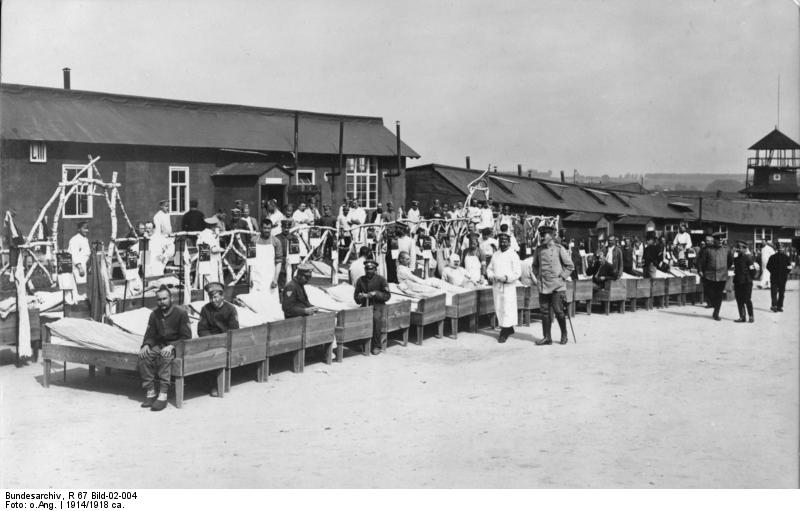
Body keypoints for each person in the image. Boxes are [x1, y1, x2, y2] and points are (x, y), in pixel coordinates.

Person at [138, 285, 191, 411]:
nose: (162, 302)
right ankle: (150, 392)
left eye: (164, 299)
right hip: (160, 345)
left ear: (171, 298)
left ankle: (163, 394)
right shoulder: (154, 314)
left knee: (165, 357)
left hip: (176, 346)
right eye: (159, 300)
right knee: (143, 357)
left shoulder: (181, 313)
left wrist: (172, 346)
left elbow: (186, 336)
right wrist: (146, 344)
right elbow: (150, 334)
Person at [531, 225, 574, 345]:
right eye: (541, 235)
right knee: (544, 312)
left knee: (558, 311)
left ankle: (564, 334)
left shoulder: (559, 249)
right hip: (544, 286)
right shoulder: (539, 250)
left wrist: (562, 277)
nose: (542, 237)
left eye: (544, 235)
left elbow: (570, 266)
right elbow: (534, 265)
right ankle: (547, 337)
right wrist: (538, 276)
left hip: (557, 286)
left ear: (551, 236)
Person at [196, 281, 239, 397]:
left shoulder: (230, 309)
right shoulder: (205, 309)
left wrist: (222, 341)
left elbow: (234, 329)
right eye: (210, 297)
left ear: (222, 296)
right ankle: (211, 384)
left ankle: (217, 384)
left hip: (226, 341)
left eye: (215, 297)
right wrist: (211, 340)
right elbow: (201, 329)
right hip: (210, 341)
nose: (212, 300)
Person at [486, 232, 522, 343]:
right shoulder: (495, 255)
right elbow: (489, 269)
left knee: (507, 308)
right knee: (499, 307)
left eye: (505, 240)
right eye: (501, 240)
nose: (503, 242)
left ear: (509, 242)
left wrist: (506, 278)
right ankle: (509, 328)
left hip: (508, 286)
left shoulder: (513, 255)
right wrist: (491, 276)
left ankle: (504, 332)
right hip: (496, 286)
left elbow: (517, 272)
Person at [353, 260, 391, 355]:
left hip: (378, 305)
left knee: (376, 319)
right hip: (365, 305)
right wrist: (360, 297)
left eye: (371, 269)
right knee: (355, 317)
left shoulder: (381, 280)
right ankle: (361, 343)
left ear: (375, 269)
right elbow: (356, 297)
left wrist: (376, 294)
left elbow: (387, 296)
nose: (369, 271)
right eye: (367, 269)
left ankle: (376, 345)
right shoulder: (360, 280)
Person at [697, 232, 733, 321]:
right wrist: (701, 270)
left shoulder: (727, 250)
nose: (720, 241)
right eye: (718, 240)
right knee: (710, 293)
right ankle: (713, 303)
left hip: (722, 276)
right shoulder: (707, 250)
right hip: (710, 276)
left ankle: (716, 313)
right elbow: (702, 262)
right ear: (714, 240)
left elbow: (730, 261)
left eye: (721, 239)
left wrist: (724, 269)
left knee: (719, 295)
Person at [250, 218, 284, 292]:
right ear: (260, 228)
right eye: (265, 228)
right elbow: (249, 261)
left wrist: (275, 280)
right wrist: (249, 278)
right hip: (256, 276)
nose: (267, 230)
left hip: (270, 276)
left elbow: (278, 262)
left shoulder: (276, 241)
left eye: (269, 228)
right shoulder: (253, 240)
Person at [732, 240, 756, 323]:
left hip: (746, 283)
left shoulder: (748, 258)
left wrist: (749, 279)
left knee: (747, 300)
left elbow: (753, 271)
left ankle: (751, 316)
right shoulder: (736, 259)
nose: (738, 249)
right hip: (738, 282)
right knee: (739, 300)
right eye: (737, 247)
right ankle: (742, 317)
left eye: (740, 248)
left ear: (745, 249)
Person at [195, 216, 223, 287]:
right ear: (213, 226)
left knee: (203, 282)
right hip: (211, 261)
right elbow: (213, 249)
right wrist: (222, 249)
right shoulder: (210, 235)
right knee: (212, 281)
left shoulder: (201, 234)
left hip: (203, 260)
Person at [767, 244, 792, 312]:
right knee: (779, 292)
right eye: (780, 248)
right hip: (780, 278)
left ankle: (776, 306)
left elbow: (768, 266)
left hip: (777, 277)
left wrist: (773, 272)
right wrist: (785, 272)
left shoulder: (774, 257)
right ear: (779, 249)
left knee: (776, 292)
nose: (781, 249)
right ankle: (777, 306)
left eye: (781, 248)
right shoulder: (784, 257)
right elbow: (789, 267)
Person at [67, 221, 91, 288]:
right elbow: (74, 254)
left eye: (87, 228)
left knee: (85, 284)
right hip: (78, 266)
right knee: (79, 284)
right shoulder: (75, 239)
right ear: (79, 229)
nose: (87, 230)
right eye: (84, 228)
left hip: (85, 264)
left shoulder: (85, 239)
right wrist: (80, 267)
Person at [275, 219, 297, 289]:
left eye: (288, 228)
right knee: (280, 278)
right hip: (280, 261)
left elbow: (296, 252)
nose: (286, 229)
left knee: (290, 280)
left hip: (290, 262)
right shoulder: (277, 238)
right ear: (281, 227)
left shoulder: (293, 238)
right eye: (284, 228)